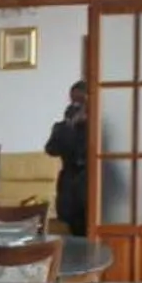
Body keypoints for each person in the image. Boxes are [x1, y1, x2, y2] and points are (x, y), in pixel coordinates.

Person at [45, 80, 90, 237]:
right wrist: (69, 126)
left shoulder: (98, 127)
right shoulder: (63, 127)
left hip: (93, 185)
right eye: (73, 101)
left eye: (81, 101)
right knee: (74, 229)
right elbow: (51, 149)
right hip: (70, 185)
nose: (76, 105)